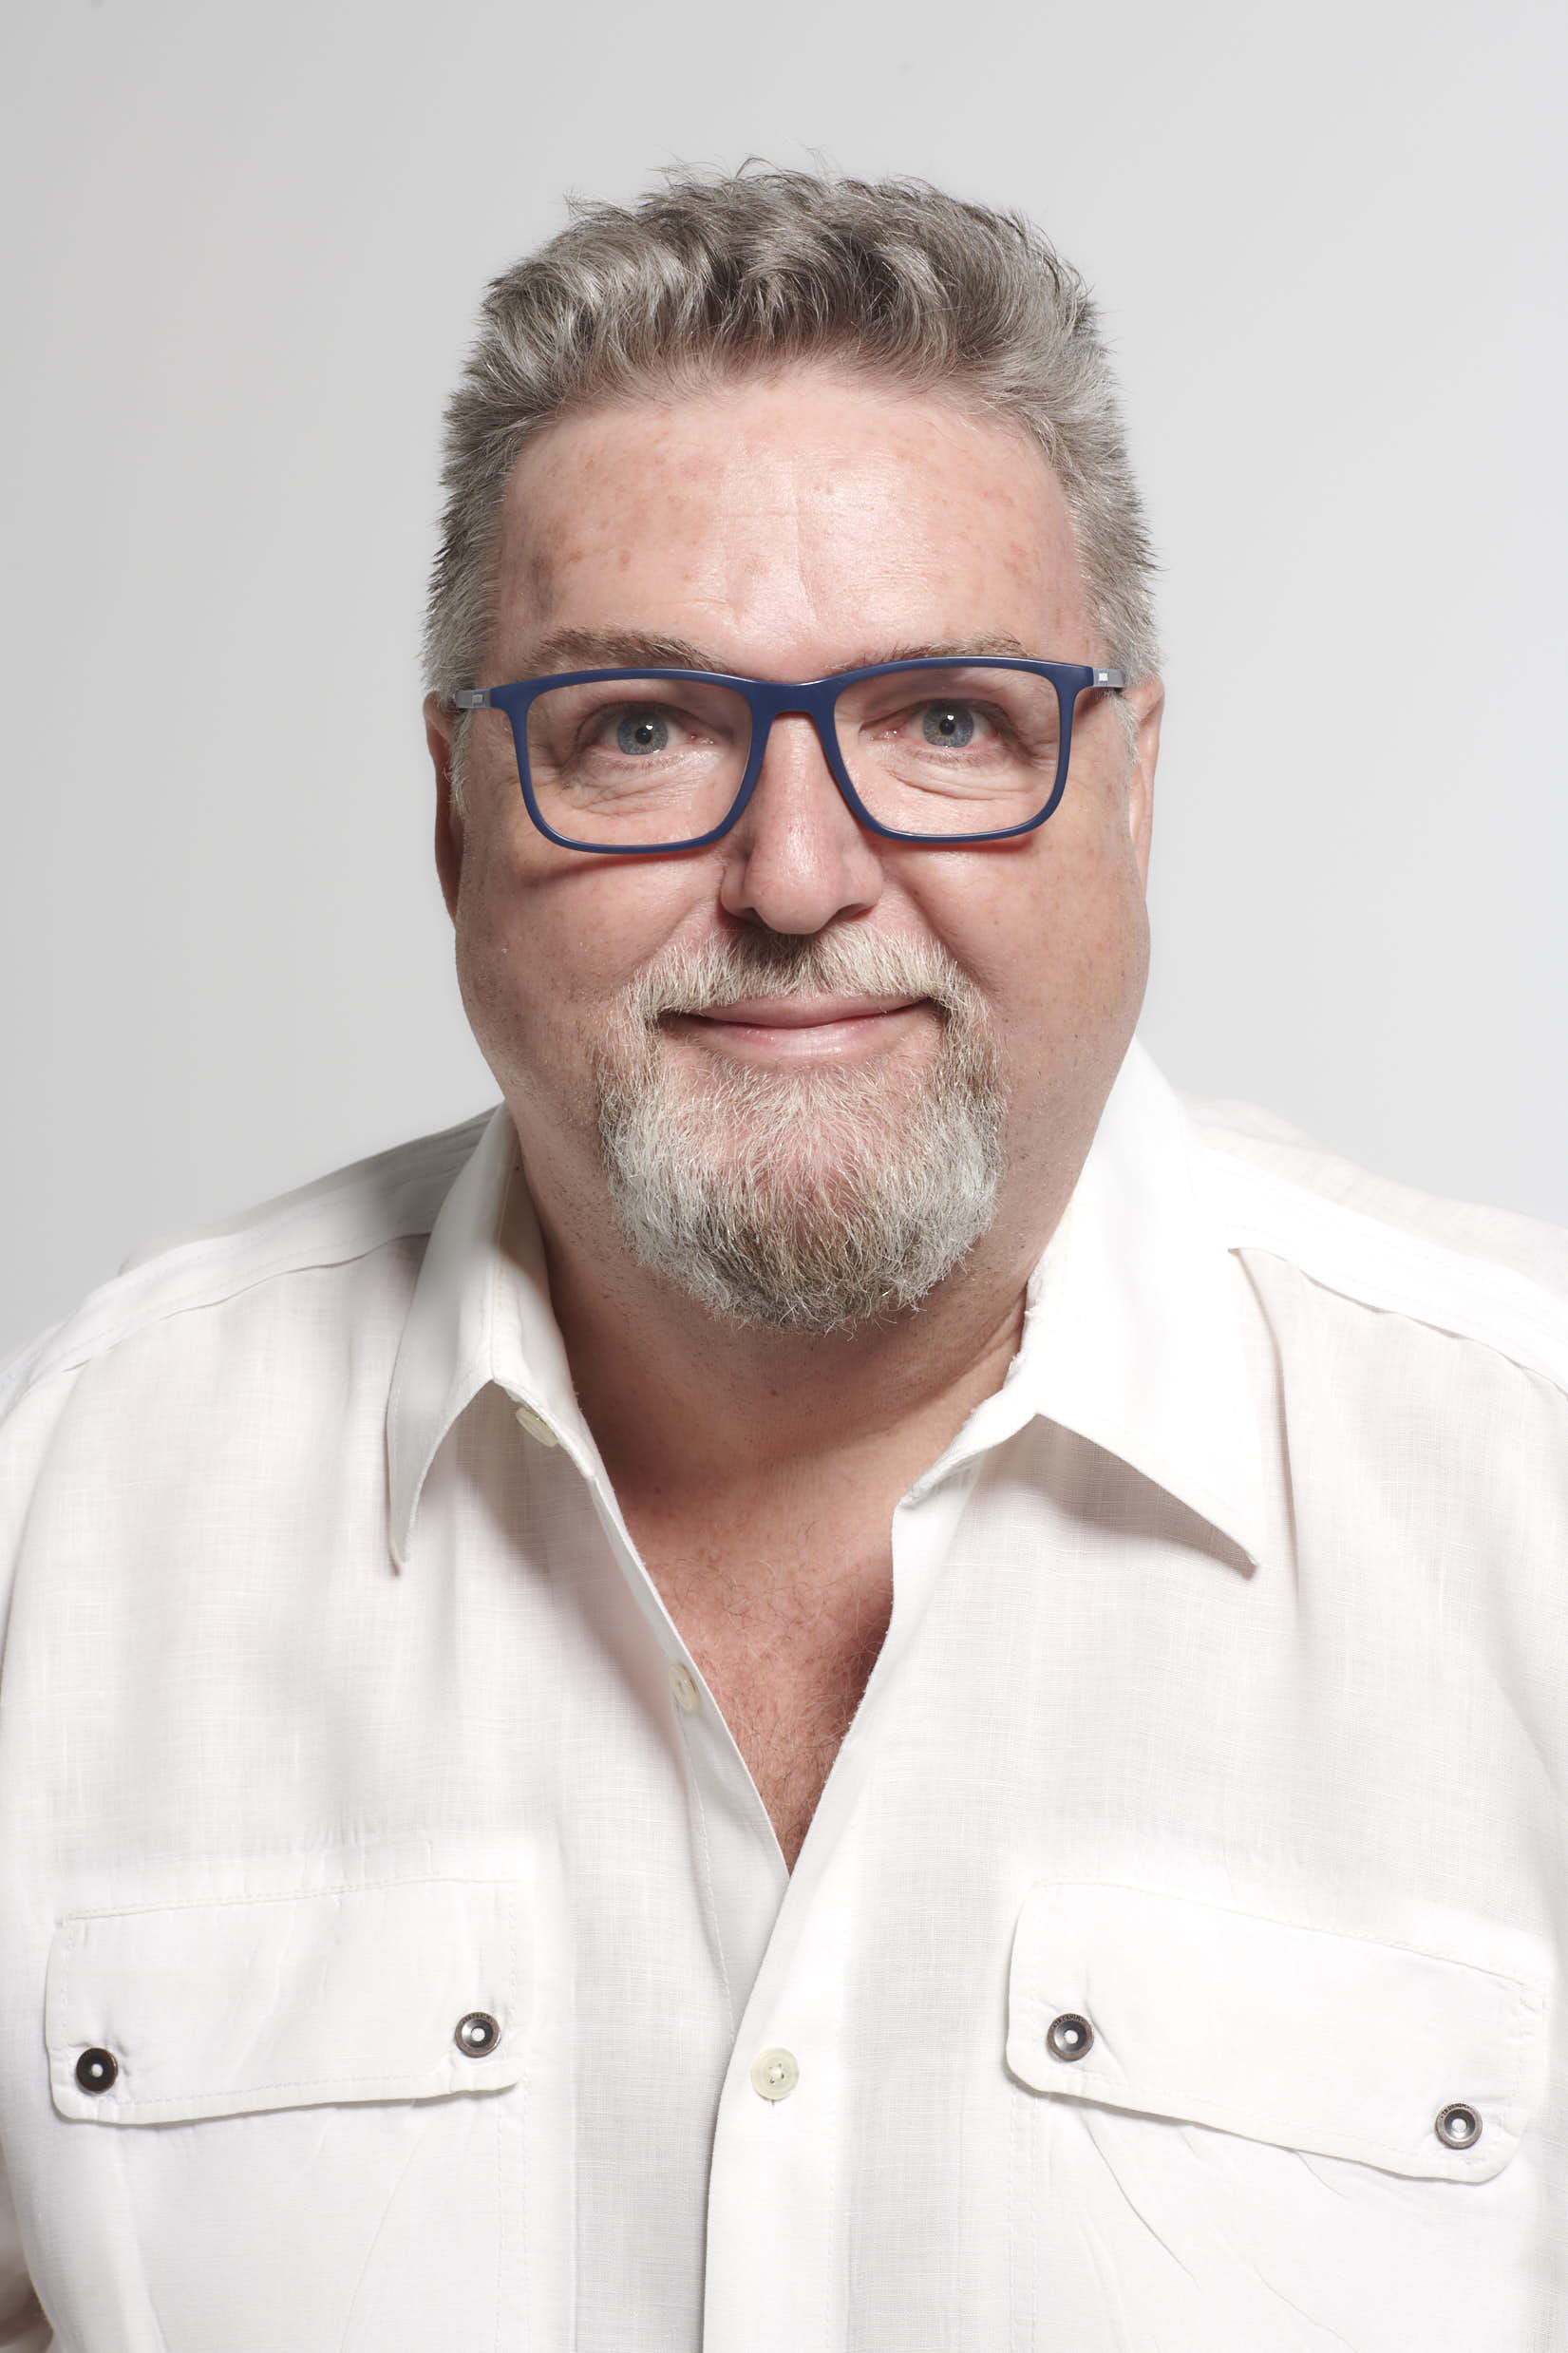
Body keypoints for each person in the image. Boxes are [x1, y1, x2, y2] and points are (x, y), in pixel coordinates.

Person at [0, 167, 1563, 2352]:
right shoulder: (67, 1520)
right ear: (455, 820)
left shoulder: (1528, 1500)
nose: (800, 875)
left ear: (1128, 793)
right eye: (640, 731)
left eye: (946, 722)